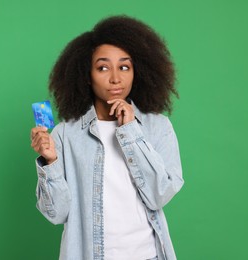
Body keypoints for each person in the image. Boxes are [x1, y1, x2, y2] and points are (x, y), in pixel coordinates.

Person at [30, 15, 184, 260]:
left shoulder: (157, 127)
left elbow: (159, 195)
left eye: (124, 67)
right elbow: (56, 214)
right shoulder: (65, 133)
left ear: (138, 71)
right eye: (103, 67)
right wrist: (50, 162)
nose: (115, 78)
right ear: (86, 75)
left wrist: (131, 131)